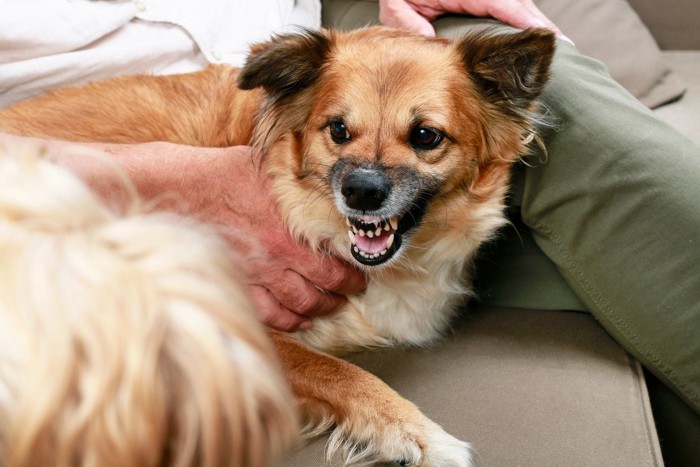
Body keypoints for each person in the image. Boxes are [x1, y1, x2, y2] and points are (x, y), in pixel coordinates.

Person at [1, 0, 699, 447]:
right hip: (89, 120)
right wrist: (165, 178)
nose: (368, 178)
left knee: (563, 92)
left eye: (421, 140)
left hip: (311, 26)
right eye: (344, 139)